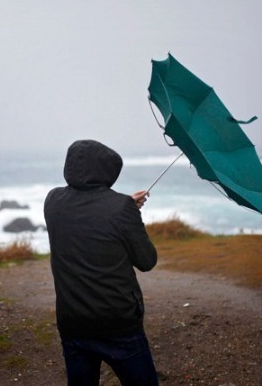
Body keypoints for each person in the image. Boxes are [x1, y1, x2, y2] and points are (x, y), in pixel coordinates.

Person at [43, 139, 159, 385]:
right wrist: (129, 211)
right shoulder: (120, 209)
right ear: (109, 171)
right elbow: (147, 260)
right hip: (118, 323)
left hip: (72, 320)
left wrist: (125, 207)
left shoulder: (52, 201)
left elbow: (89, 213)